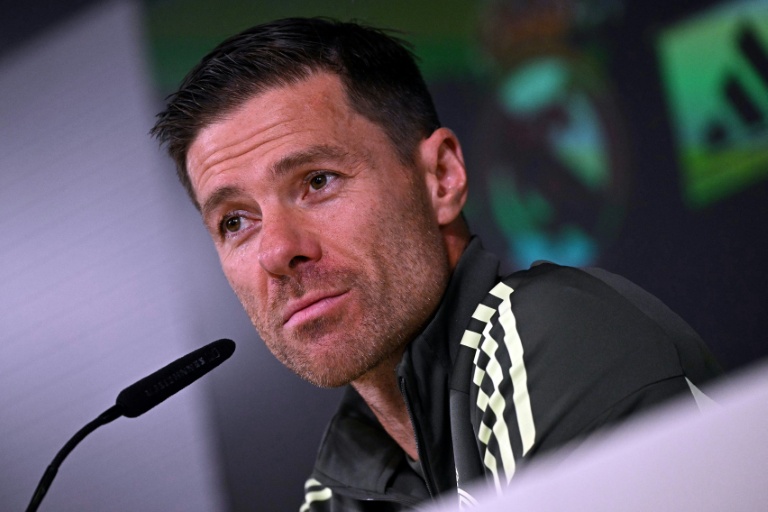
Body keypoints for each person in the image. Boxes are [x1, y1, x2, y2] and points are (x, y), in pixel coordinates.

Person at [151, 17, 722, 511]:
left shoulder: (554, 334)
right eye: (235, 221)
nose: (277, 252)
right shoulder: (336, 491)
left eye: (318, 181)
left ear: (441, 178)